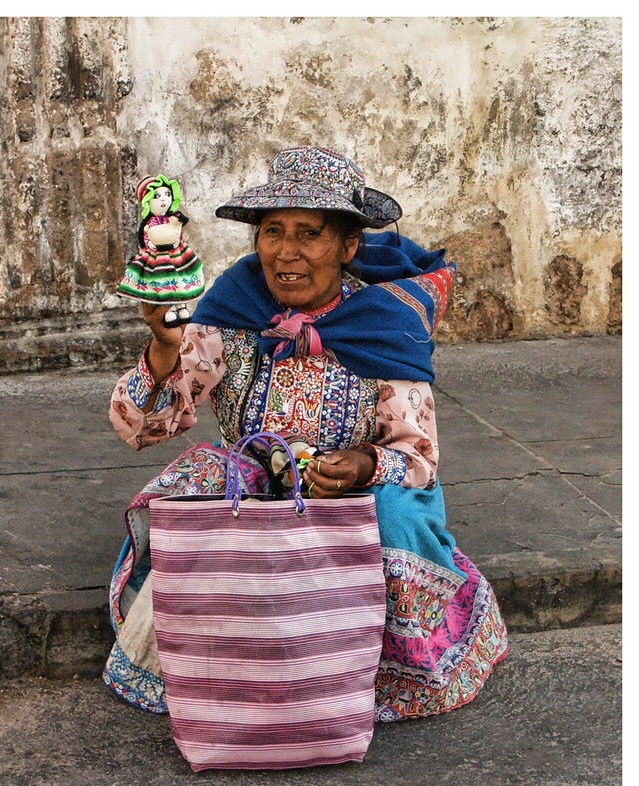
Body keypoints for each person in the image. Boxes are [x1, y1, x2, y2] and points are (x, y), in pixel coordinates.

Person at [103, 145, 508, 721]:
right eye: (272, 231)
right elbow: (141, 426)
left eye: (309, 233)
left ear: (348, 246)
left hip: (358, 494)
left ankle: (375, 673)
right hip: (259, 483)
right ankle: (221, 662)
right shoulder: (233, 311)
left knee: (394, 517)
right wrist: (166, 349)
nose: (285, 253)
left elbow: (416, 455)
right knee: (198, 480)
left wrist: (363, 467)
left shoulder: (384, 323)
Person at [116, 174, 205, 327]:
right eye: (157, 196)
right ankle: (168, 310)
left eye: (167, 194)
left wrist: (177, 240)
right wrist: (150, 245)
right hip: (157, 258)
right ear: (148, 201)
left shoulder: (172, 218)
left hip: (176, 254)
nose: (163, 199)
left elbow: (178, 232)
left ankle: (181, 307)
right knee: (163, 282)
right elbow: (145, 239)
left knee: (179, 280)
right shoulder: (149, 223)